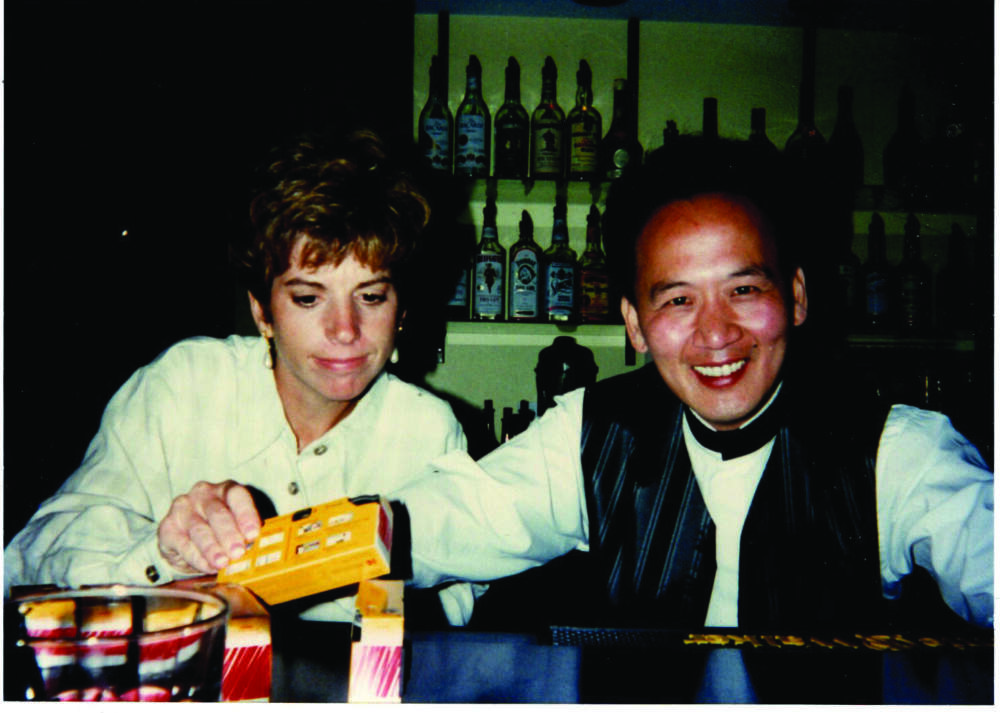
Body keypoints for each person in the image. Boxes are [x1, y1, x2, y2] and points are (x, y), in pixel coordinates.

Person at [387, 140, 993, 632]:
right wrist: (303, 548)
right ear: (635, 326)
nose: (716, 334)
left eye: (744, 290)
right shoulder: (590, 433)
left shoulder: (899, 451)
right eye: (679, 300)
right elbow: (438, 524)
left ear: (798, 298)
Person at [5, 129, 479, 625]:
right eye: (308, 298)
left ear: (400, 310)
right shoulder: (183, 386)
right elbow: (34, 553)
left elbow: (452, 605)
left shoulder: (429, 431)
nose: (346, 330)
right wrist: (164, 555)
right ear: (262, 311)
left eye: (371, 296)